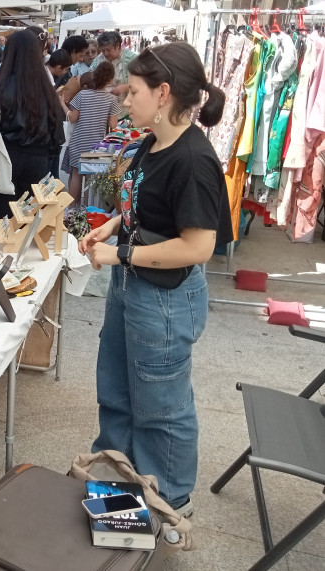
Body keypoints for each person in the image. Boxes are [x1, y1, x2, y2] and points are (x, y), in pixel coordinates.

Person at [79, 42, 232, 516]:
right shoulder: (153, 142)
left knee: (162, 407)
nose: (126, 101)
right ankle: (121, 479)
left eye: (134, 92)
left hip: (164, 300)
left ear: (163, 93)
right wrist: (113, 224)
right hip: (134, 287)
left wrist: (121, 251)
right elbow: (144, 207)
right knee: (119, 388)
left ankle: (167, 500)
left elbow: (198, 246)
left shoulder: (192, 159)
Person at [0, 29, 65, 222]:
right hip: (38, 160)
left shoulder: (0, 86)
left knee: (1, 221)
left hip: (6, 158)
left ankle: (0, 252)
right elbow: (57, 129)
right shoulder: (47, 88)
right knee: (29, 221)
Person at [61, 62, 119, 204]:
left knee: (76, 174)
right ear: (111, 79)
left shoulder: (82, 94)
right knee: (90, 178)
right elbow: (113, 125)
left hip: (78, 141)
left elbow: (73, 117)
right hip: (96, 146)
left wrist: (62, 103)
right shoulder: (112, 99)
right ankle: (87, 211)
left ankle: (72, 209)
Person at [91, 32, 136, 124]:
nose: (106, 54)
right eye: (103, 50)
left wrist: (125, 87)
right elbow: (89, 75)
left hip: (126, 111)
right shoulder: (99, 59)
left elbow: (145, 83)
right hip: (103, 112)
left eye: (108, 50)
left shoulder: (132, 59)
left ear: (118, 46)